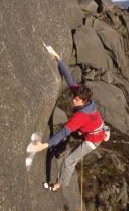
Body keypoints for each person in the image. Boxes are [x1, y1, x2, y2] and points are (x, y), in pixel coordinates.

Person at [31, 48, 109, 191]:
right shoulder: (83, 97)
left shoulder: (81, 116)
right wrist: (58, 59)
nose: (73, 99)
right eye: (75, 97)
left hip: (92, 140)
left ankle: (58, 185)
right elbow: (69, 78)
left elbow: (63, 132)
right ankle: (59, 150)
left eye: (77, 99)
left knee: (69, 161)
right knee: (72, 135)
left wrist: (44, 145)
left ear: (84, 101)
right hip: (91, 128)